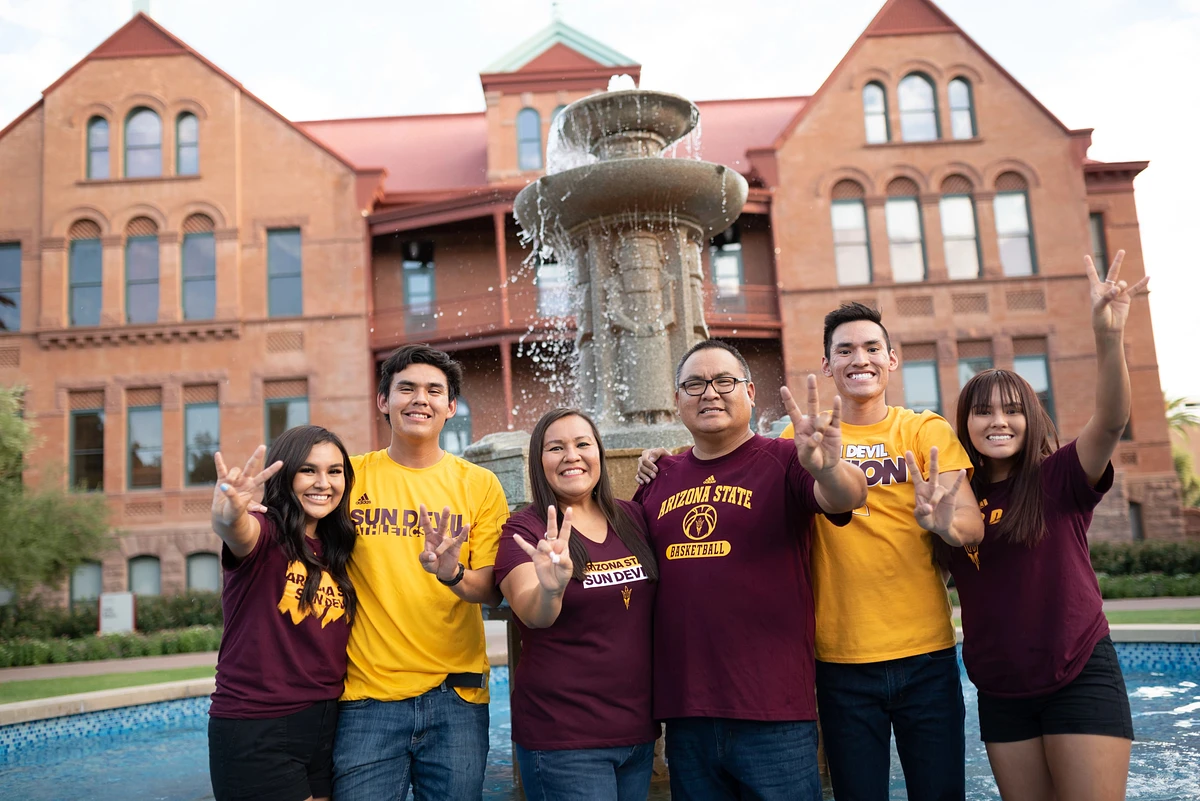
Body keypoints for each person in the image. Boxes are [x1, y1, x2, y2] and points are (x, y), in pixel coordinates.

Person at [639, 302, 985, 801]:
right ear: (826, 365)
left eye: (870, 348)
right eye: (844, 350)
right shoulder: (796, 439)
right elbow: (730, 453)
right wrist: (662, 458)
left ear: (892, 360)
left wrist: (943, 523)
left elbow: (968, 526)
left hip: (924, 651)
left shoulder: (922, 430)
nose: (858, 359)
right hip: (837, 656)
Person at [944, 252, 1143, 801]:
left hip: (1078, 673)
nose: (999, 421)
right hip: (1001, 689)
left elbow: (1111, 420)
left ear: (1032, 418)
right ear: (966, 424)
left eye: (1013, 409)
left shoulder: (1059, 478)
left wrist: (1108, 337)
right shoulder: (953, 496)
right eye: (983, 412)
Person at [632, 339, 867, 800]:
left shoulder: (784, 460)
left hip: (773, 711)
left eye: (724, 381)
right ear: (677, 398)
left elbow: (847, 497)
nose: (709, 393)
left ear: (751, 392)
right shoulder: (659, 476)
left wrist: (828, 468)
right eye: (694, 384)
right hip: (687, 712)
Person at [331, 344, 509, 801]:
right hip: (367, 698)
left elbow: (490, 590)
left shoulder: (480, 484)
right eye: (405, 388)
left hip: (457, 697)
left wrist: (452, 574)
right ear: (382, 401)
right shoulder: (348, 478)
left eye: (434, 391)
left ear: (451, 407)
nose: (419, 399)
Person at [494, 408, 659, 800]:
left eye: (582, 444)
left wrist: (667, 459)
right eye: (556, 448)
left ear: (598, 453)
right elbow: (533, 614)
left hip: (638, 731)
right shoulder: (525, 529)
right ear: (538, 462)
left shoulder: (634, 517)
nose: (572, 455)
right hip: (565, 738)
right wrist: (551, 589)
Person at [207, 425, 358, 801]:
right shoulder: (266, 532)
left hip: (323, 724)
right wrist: (228, 513)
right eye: (308, 470)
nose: (323, 483)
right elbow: (237, 531)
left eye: (334, 471)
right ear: (286, 474)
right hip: (257, 725)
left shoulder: (335, 548)